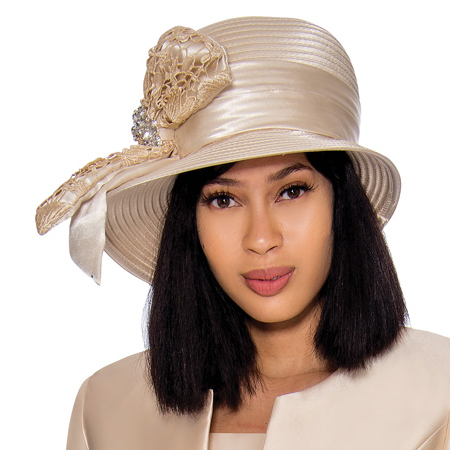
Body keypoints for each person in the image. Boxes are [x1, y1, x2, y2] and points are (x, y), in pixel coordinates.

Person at [36, 17, 450, 450]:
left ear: (341, 204)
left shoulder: (438, 394)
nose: (261, 238)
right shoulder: (105, 407)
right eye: (223, 199)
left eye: (291, 191)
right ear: (189, 223)